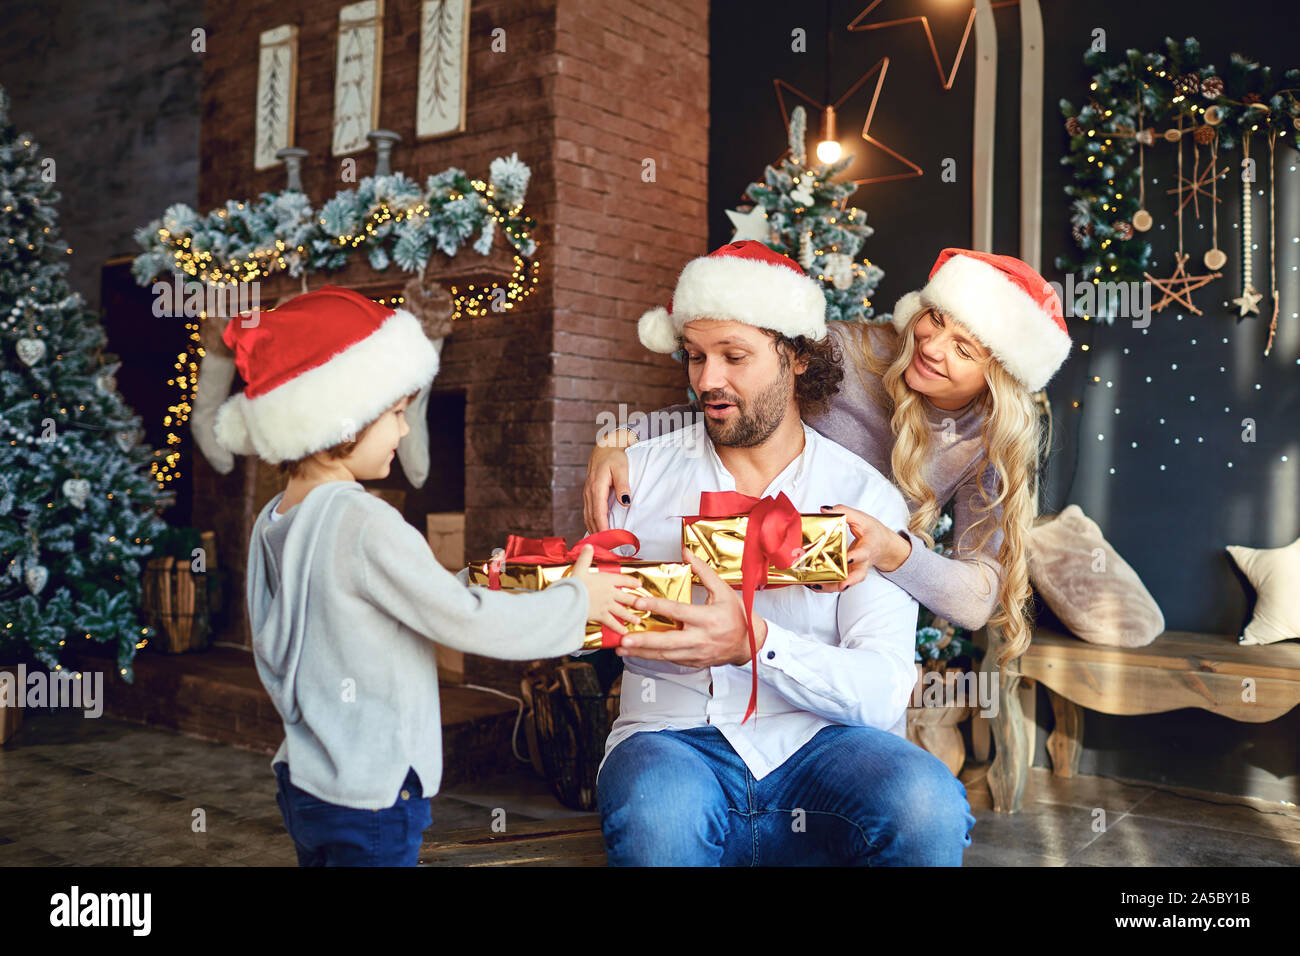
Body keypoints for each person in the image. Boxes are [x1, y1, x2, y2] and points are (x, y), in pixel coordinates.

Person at [212, 285, 641, 866]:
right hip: (374, 794)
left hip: (310, 783)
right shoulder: (361, 519)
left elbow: (388, 598)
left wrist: (471, 577)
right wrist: (577, 601)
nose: (405, 431)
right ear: (343, 418)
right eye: (394, 414)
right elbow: (464, 624)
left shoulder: (278, 517)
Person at [594, 240, 975, 866]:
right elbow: (586, 616)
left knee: (927, 805)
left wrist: (758, 642)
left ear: (796, 356)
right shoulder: (632, 477)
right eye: (694, 357)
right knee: (661, 820)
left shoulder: (861, 499)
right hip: (672, 739)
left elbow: (881, 692)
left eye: (733, 356)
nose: (706, 380)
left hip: (822, 744)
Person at [585, 247, 1072, 667]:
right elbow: (734, 400)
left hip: (850, 603)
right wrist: (625, 435)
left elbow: (976, 599)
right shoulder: (851, 353)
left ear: (1000, 379)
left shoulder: (987, 445)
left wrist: (894, 551)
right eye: (936, 319)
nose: (931, 346)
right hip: (750, 566)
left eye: (964, 349)